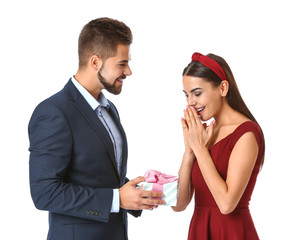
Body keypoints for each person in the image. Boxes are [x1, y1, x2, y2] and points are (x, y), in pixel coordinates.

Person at [28, 17, 165, 240]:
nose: (128, 71)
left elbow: (105, 178)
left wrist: (138, 194)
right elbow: (45, 193)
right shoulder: (53, 112)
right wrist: (116, 199)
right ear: (95, 62)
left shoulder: (109, 109)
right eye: (122, 63)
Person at [172, 52, 265, 240]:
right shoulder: (205, 133)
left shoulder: (246, 133)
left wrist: (200, 149)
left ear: (222, 88)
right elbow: (179, 204)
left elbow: (226, 204)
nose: (190, 102)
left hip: (232, 232)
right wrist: (189, 151)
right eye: (187, 95)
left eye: (197, 93)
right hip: (199, 229)